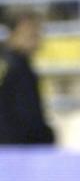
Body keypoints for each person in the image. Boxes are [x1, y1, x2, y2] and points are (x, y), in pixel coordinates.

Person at [0, 10, 56, 145]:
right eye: (33, 32)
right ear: (19, 30)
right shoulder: (12, 66)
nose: (37, 37)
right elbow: (25, 113)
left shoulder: (22, 65)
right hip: (14, 147)